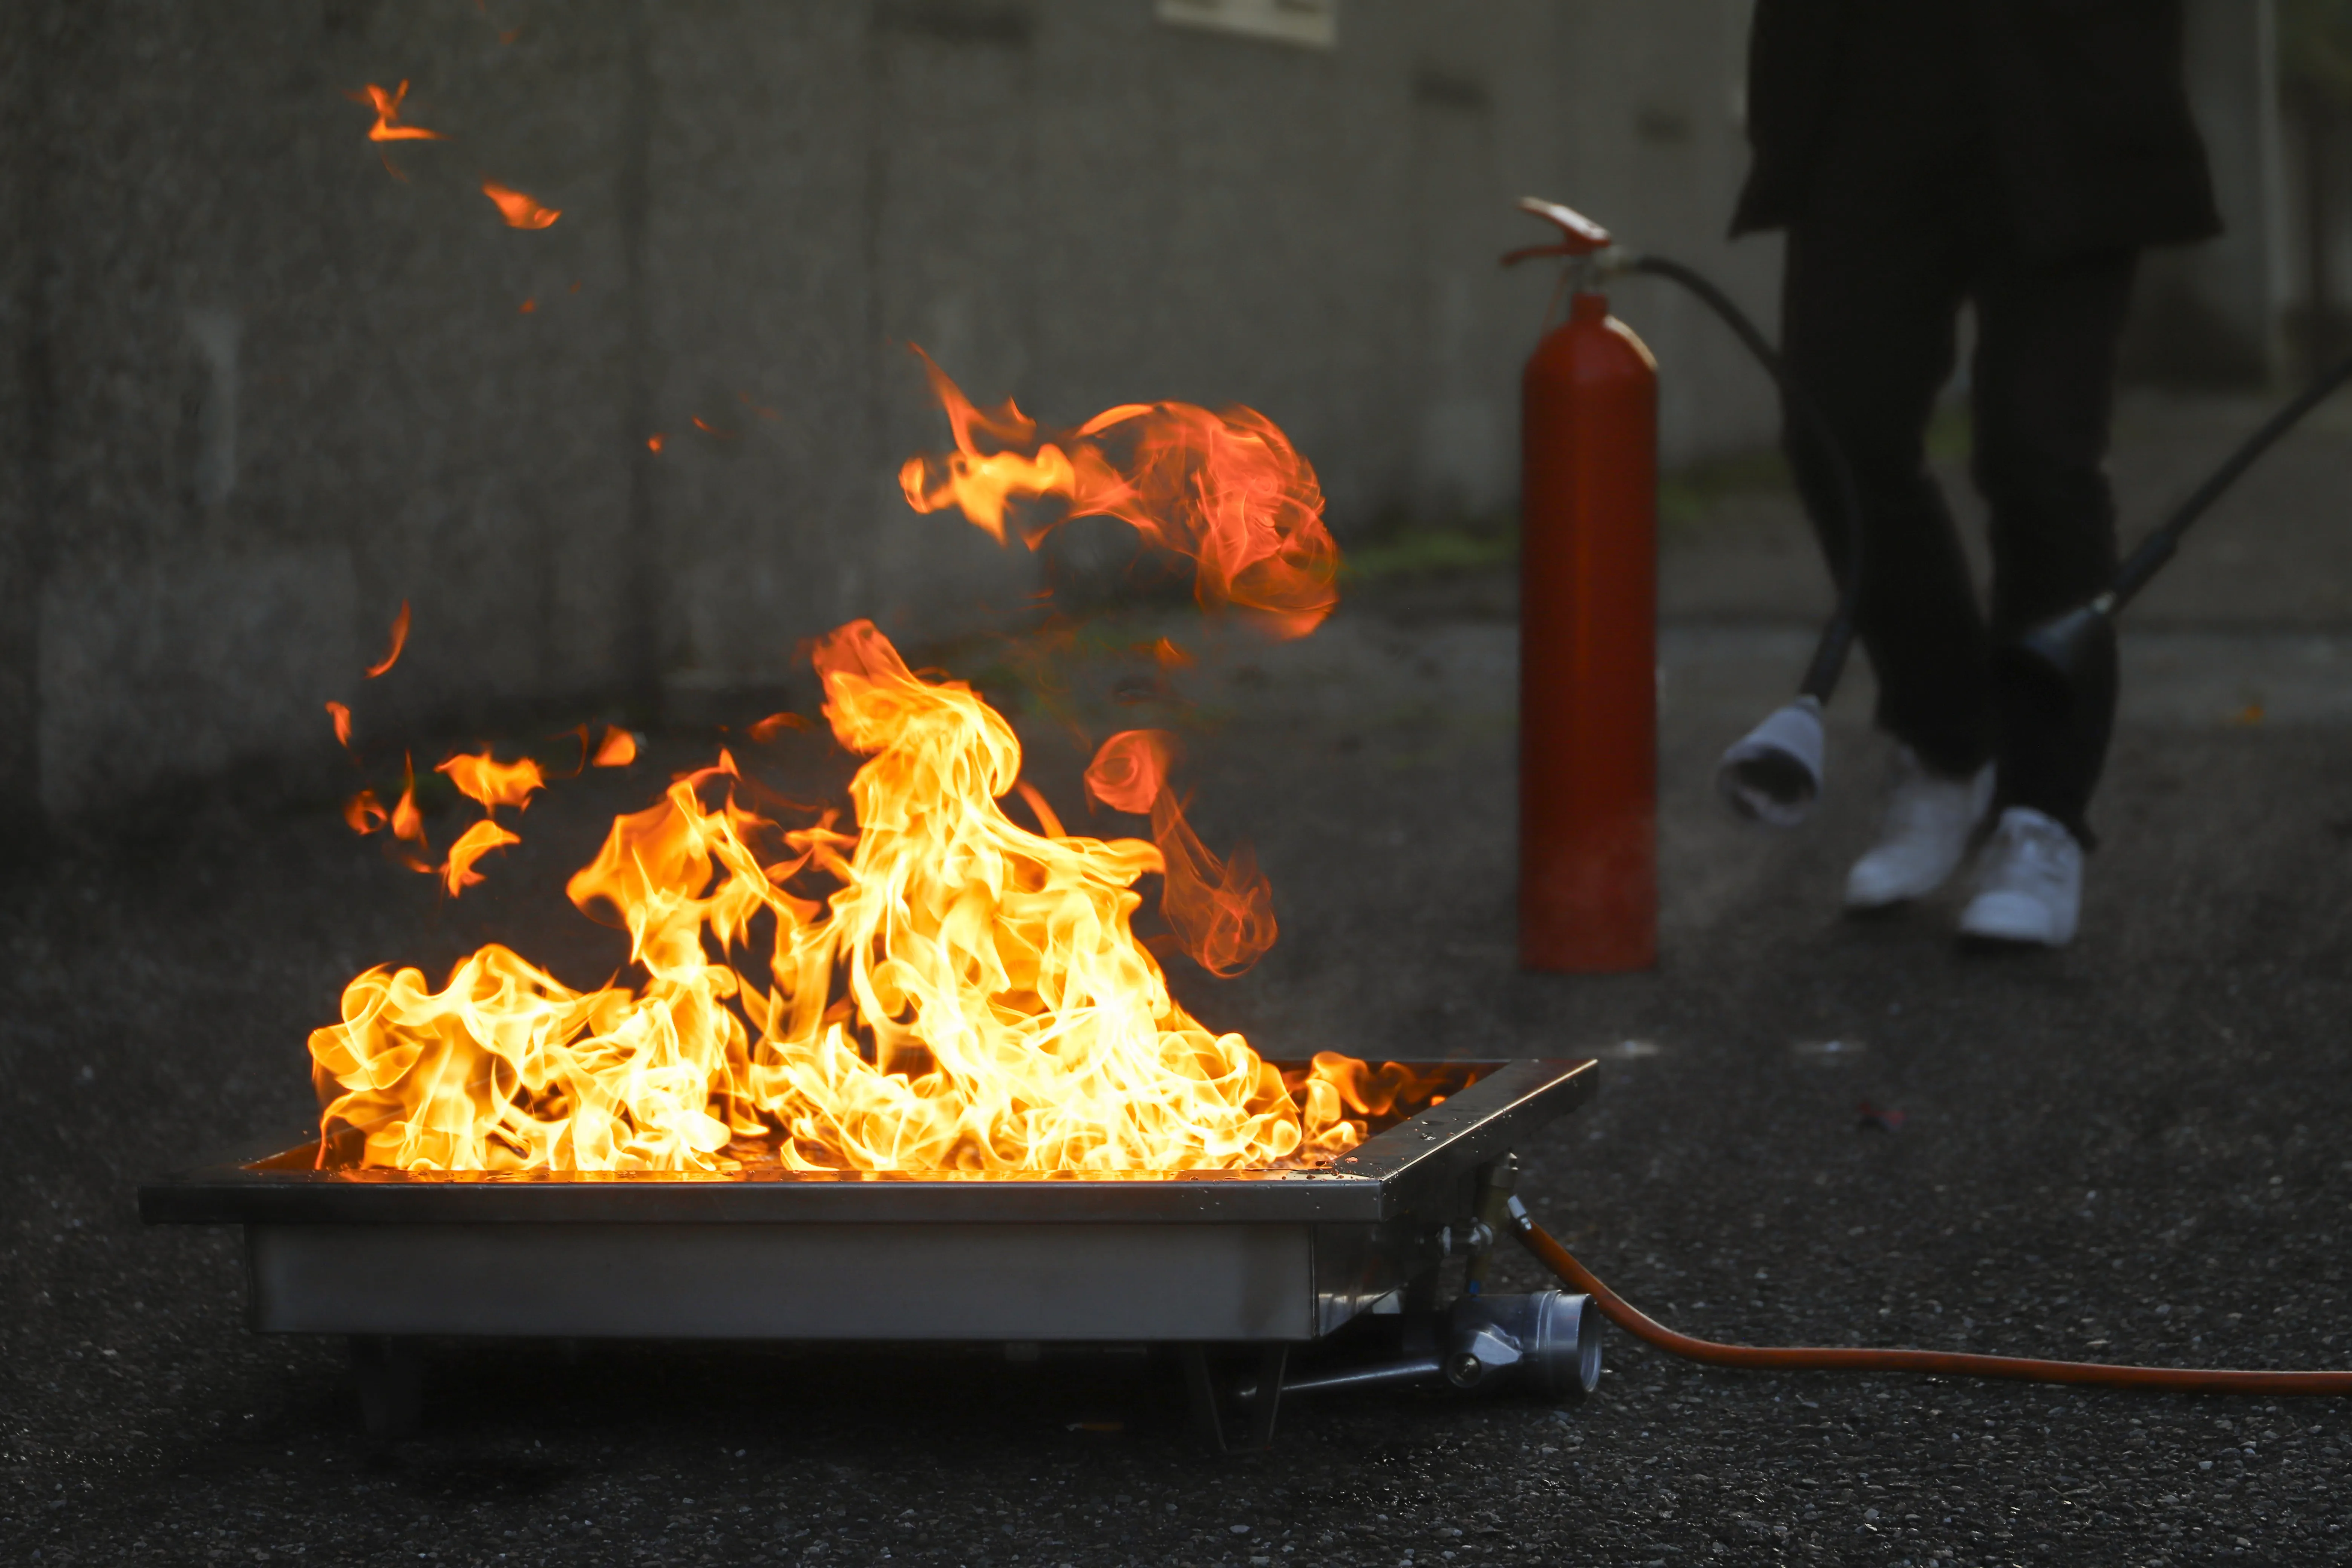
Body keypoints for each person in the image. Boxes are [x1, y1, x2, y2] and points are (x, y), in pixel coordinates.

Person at [1732, 0, 2221, 946]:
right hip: (1868, 86)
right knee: (1838, 431)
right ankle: (1951, 742)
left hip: (2073, 93)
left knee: (2039, 453)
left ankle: (2041, 813)